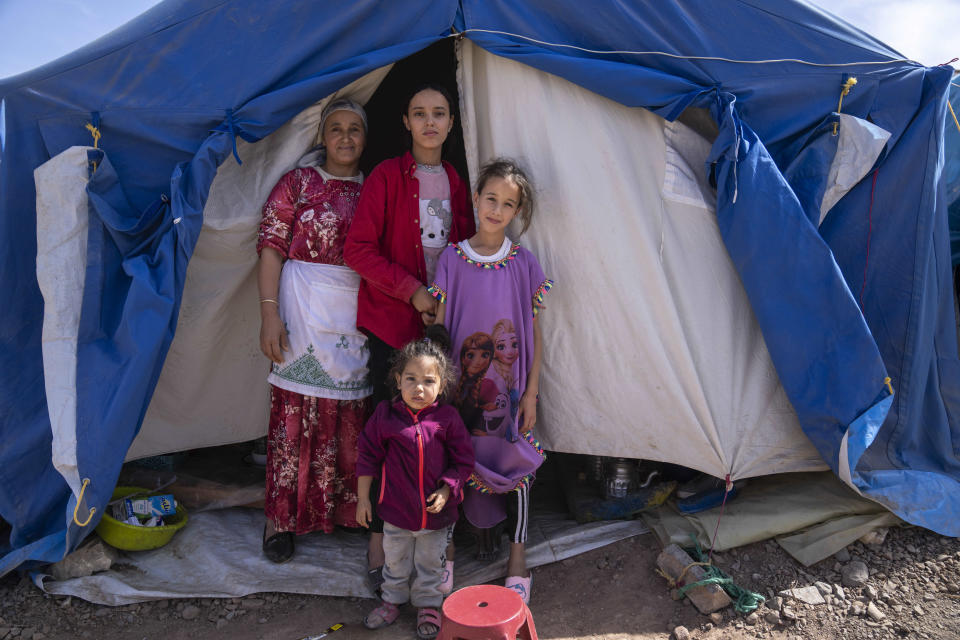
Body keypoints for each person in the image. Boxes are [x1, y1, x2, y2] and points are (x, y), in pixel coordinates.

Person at [344, 82, 475, 589]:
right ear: (404, 121)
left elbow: (461, 247)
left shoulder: (455, 181)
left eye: (438, 113)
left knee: (442, 429)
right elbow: (358, 249)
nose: (429, 122)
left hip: (439, 329)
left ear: (450, 123)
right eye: (418, 113)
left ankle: (440, 532)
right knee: (390, 433)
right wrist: (412, 290)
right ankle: (382, 533)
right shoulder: (385, 176)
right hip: (395, 324)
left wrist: (443, 296)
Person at [256, 98, 374, 563]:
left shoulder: (375, 188)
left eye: (355, 130)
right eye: (336, 129)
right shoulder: (298, 183)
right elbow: (270, 248)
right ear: (322, 137)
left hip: (352, 311)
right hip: (301, 306)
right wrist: (269, 314)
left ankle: (346, 513)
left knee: (351, 412)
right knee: (295, 410)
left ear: (366, 138)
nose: (345, 138)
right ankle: (280, 519)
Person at [430, 158, 552, 604]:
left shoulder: (523, 263)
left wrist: (532, 393)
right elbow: (440, 331)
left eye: (508, 203)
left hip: (512, 396)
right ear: (476, 199)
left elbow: (535, 335)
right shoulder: (452, 259)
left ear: (517, 211)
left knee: (516, 465)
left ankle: (517, 560)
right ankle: (444, 555)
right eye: (491, 199)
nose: (497, 210)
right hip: (460, 396)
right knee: (449, 464)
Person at [356, 334, 475, 640]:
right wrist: (362, 500)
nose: (418, 388)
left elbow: (463, 461)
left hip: (434, 517)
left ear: (441, 385)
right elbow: (367, 456)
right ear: (397, 380)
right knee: (394, 561)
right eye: (410, 378)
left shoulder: (447, 419)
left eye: (428, 381)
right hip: (395, 513)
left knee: (429, 564)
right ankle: (392, 601)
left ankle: (428, 606)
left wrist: (448, 489)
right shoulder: (385, 416)